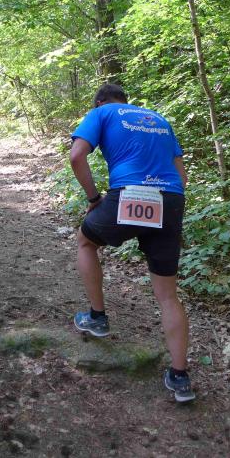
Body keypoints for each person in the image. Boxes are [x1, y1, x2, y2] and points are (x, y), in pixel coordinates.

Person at [69, 83, 195, 402]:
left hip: (130, 193)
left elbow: (77, 156)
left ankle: (97, 317)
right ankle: (180, 377)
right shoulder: (158, 119)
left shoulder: (102, 113)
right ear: (126, 100)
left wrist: (94, 198)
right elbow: (182, 177)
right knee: (168, 295)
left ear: (100, 102)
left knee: (85, 242)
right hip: (171, 199)